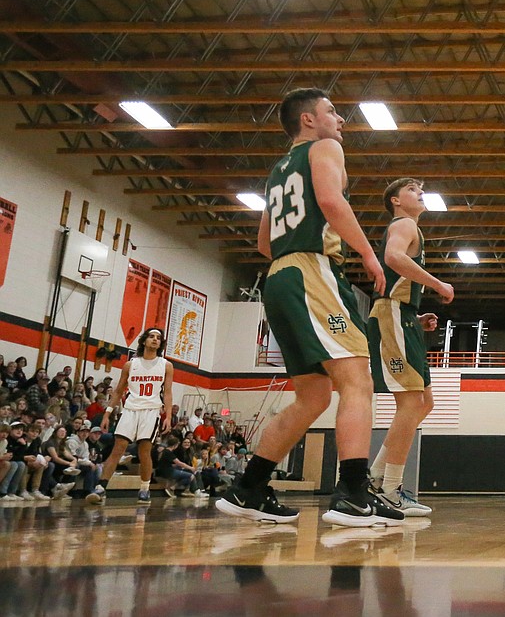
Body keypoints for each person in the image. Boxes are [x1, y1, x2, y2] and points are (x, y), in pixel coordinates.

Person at [215, 87, 401, 528]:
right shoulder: (325, 146)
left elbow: (264, 242)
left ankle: (249, 487)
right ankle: (354, 494)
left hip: (278, 277)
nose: (340, 120)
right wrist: (369, 255)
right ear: (308, 120)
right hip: (310, 270)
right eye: (332, 111)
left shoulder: (277, 171)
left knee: (313, 396)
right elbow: (332, 202)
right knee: (357, 378)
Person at [366, 177, 453, 518]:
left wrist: (415, 317)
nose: (420, 192)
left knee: (424, 402)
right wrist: (437, 283)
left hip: (402, 314)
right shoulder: (403, 223)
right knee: (412, 402)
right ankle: (389, 489)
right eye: (412, 189)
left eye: (422, 188)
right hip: (391, 312)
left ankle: (375, 476)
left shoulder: (409, 226)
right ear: (396, 201)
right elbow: (392, 257)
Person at [90, 327, 173, 505]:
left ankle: (144, 489)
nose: (155, 340)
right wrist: (107, 414)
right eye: (151, 336)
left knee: (144, 451)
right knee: (117, 448)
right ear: (144, 341)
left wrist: (168, 416)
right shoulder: (130, 364)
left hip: (151, 410)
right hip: (130, 409)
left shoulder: (165, 365)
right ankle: (101, 488)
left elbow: (167, 393)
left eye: (158, 338)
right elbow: (119, 390)